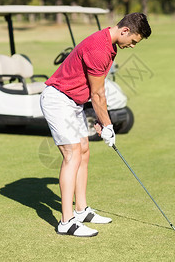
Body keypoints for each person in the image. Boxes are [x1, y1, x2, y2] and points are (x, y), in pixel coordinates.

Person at [40, 12, 151, 237]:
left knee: (83, 151)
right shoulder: (100, 49)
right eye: (133, 41)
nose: (132, 46)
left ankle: (80, 211)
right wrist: (108, 125)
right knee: (71, 155)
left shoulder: (109, 45)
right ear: (125, 31)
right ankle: (66, 221)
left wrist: (102, 120)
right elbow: (98, 93)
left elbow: (94, 91)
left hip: (73, 102)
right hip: (59, 100)